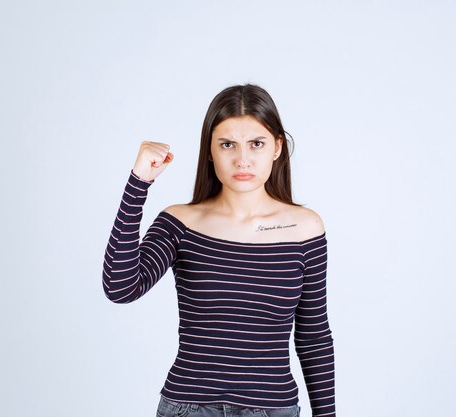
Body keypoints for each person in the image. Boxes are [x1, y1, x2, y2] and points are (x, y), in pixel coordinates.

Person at [102, 84, 336, 417]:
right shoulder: (181, 223)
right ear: (210, 151)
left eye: (256, 144)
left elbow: (313, 336)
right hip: (189, 407)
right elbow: (120, 288)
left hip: (272, 409)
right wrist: (138, 183)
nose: (242, 159)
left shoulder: (305, 228)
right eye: (228, 144)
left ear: (277, 147)